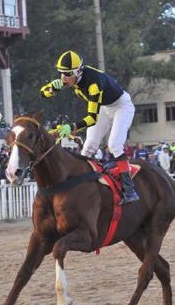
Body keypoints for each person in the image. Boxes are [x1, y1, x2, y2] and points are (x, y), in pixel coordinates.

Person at [40, 50, 139, 203]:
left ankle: (130, 190)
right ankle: (82, 187)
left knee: (114, 145)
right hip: (104, 107)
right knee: (88, 147)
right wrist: (51, 90)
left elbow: (92, 119)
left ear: (78, 71)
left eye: (67, 74)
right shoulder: (71, 78)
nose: (63, 78)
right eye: (61, 73)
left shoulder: (93, 84)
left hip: (121, 106)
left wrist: (71, 127)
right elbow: (42, 93)